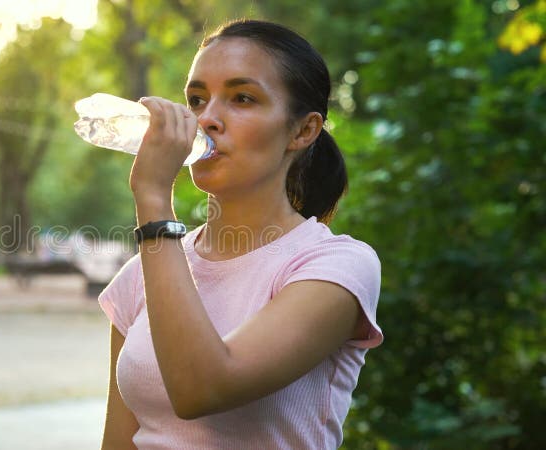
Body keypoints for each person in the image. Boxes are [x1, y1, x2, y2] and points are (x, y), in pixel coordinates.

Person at [98, 19, 382, 449]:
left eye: (242, 98)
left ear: (303, 130)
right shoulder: (144, 272)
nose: (207, 119)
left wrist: (154, 199)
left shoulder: (335, 266)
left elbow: (201, 389)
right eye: (196, 99)